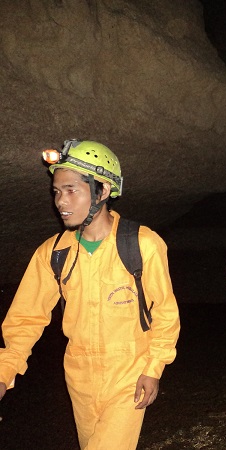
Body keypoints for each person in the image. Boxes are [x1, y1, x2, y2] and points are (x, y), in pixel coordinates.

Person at [0, 139, 181, 450]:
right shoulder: (53, 253)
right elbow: (25, 319)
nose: (60, 201)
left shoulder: (142, 244)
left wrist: (153, 369)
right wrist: (4, 371)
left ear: (103, 191)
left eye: (72, 190)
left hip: (128, 373)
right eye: (57, 191)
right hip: (79, 378)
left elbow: (165, 313)